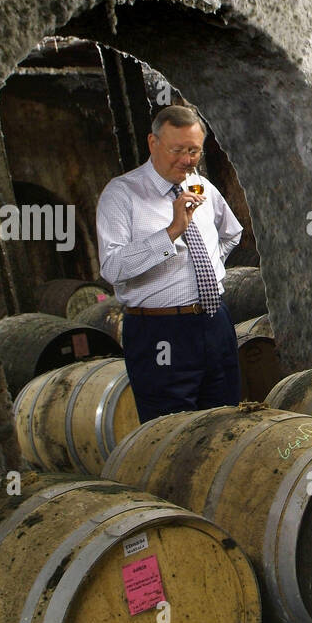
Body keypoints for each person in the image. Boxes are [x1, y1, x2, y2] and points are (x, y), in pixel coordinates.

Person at [97, 105, 243, 422]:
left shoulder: (202, 187)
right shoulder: (122, 194)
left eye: (194, 151)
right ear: (153, 143)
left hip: (215, 321)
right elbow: (112, 267)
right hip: (160, 330)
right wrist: (171, 233)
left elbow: (232, 234)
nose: (186, 160)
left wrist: (207, 271)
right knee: (171, 432)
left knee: (229, 420)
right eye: (177, 149)